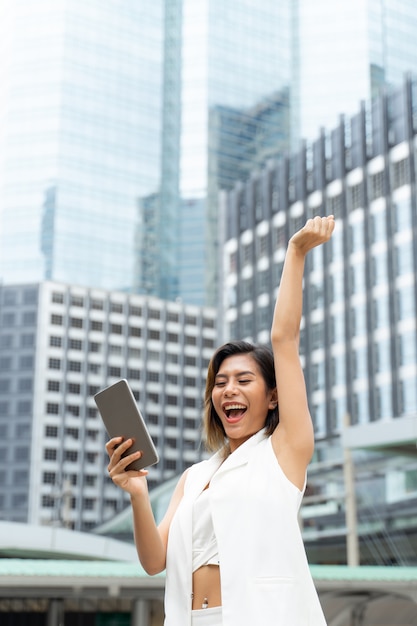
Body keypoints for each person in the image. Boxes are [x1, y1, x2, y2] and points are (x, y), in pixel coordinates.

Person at [106, 215, 335, 626]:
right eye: (220, 382)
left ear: (273, 396)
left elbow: (284, 339)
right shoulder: (193, 478)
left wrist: (296, 252)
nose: (228, 389)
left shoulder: (285, 451)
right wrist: (137, 492)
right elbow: (154, 561)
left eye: (244, 380)